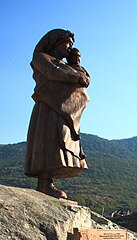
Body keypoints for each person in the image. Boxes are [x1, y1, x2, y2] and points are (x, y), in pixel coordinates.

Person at [24, 29, 90, 199]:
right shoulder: (41, 58)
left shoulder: (67, 65)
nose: (69, 49)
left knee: (59, 143)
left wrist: (75, 64)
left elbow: (86, 80)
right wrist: (76, 76)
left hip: (65, 110)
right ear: (56, 42)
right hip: (49, 106)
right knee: (50, 143)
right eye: (67, 44)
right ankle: (44, 182)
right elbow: (55, 73)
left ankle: (48, 182)